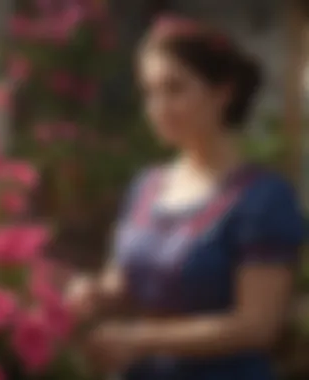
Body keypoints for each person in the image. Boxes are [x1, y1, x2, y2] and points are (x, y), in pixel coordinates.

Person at [65, 14, 304, 380]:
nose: (158, 107)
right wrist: (95, 292)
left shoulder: (263, 198)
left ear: (223, 92)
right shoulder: (146, 187)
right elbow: (124, 282)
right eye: (150, 92)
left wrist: (141, 338)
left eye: (174, 88)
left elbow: (257, 326)